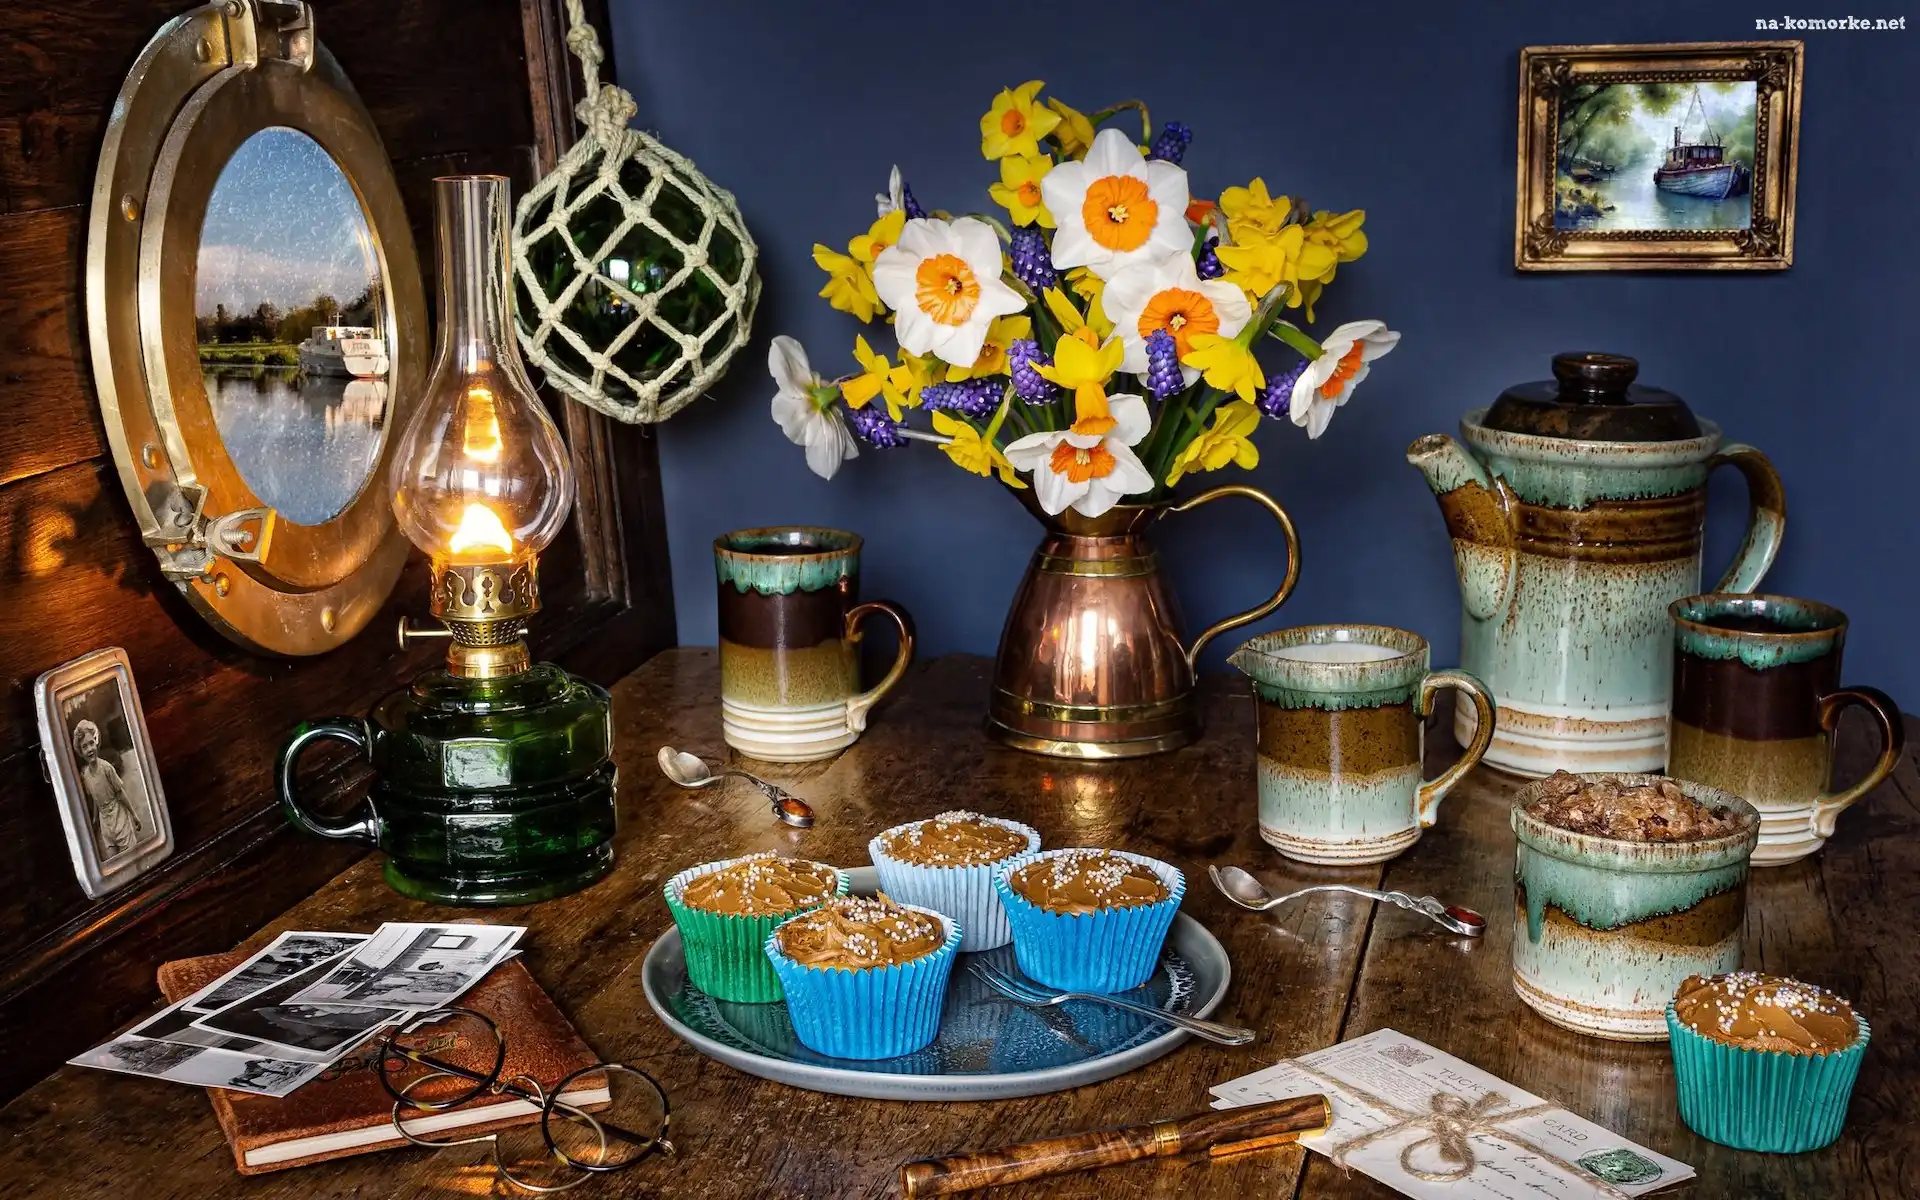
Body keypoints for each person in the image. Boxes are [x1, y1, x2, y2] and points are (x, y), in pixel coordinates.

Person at [72, 719, 140, 859]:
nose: (90, 749)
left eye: (91, 743)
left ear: (96, 742)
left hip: (119, 818)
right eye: (84, 746)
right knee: (113, 860)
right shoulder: (86, 775)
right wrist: (95, 819)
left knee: (131, 858)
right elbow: (96, 798)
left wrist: (134, 815)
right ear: (81, 751)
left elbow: (120, 793)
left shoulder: (107, 768)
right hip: (105, 825)